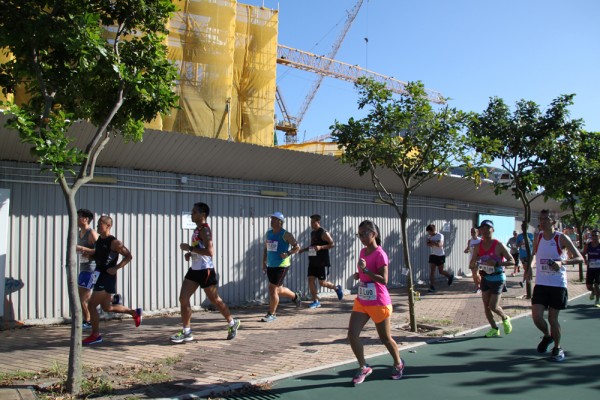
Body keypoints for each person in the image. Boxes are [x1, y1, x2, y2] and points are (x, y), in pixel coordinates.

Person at [170, 202, 240, 343]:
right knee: (183, 298)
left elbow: (210, 252)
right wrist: (191, 254)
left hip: (205, 271)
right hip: (194, 270)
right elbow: (200, 249)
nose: (192, 214)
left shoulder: (205, 230)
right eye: (192, 212)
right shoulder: (198, 229)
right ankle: (187, 332)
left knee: (215, 300)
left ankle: (232, 322)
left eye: (194, 212)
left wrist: (189, 248)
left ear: (202, 215)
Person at [348, 220, 404, 385]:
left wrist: (366, 270)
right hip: (362, 300)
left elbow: (384, 280)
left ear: (374, 234)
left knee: (385, 338)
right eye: (359, 235)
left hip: (379, 302)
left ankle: (398, 363)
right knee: (352, 335)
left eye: (365, 233)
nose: (362, 237)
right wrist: (360, 274)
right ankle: (363, 366)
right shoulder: (362, 251)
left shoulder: (380, 254)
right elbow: (365, 273)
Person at [525, 209, 583, 362]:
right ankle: (547, 336)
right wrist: (529, 267)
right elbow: (534, 254)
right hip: (541, 283)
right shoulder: (538, 236)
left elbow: (580, 258)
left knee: (552, 319)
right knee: (536, 316)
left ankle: (557, 348)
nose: (542, 222)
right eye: (540, 219)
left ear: (553, 222)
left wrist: (562, 262)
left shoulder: (561, 238)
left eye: (546, 219)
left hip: (557, 284)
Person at [82, 215, 142, 345]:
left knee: (91, 305)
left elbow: (128, 256)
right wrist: (89, 256)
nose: (97, 226)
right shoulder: (99, 240)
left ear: (108, 225)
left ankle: (95, 335)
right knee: (107, 307)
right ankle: (134, 313)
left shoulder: (114, 242)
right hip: (98, 275)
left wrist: (116, 268)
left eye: (100, 224)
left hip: (106, 277)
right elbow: (99, 257)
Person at [470, 220, 515, 338]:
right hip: (485, 278)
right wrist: (473, 265)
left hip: (498, 278)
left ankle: (505, 318)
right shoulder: (478, 246)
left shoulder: (498, 245)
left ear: (493, 230)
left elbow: (512, 261)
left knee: (493, 306)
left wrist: (497, 263)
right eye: (482, 228)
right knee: (486, 306)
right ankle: (494, 328)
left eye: (487, 228)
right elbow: (474, 260)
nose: (485, 231)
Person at [261, 212, 301, 322]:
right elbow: (266, 248)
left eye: (273, 219)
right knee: (278, 289)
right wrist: (264, 262)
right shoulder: (269, 233)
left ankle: (272, 314)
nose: (271, 221)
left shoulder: (286, 234)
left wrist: (288, 253)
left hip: (281, 265)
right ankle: (295, 296)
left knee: (272, 288)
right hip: (271, 265)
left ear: (280, 221)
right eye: (271, 219)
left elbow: (297, 247)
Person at [298, 214, 343, 308]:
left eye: (313, 222)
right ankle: (316, 301)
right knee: (310, 280)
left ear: (318, 222)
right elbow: (313, 246)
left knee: (322, 283)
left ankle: (336, 288)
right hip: (312, 260)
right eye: (311, 222)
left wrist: (321, 247)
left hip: (321, 261)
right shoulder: (312, 233)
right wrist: (303, 250)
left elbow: (332, 244)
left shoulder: (323, 232)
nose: (311, 224)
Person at [75, 209, 99, 329]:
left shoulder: (91, 233)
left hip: (92, 269)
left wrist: (82, 249)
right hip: (83, 268)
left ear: (86, 219)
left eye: (79, 216)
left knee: (83, 297)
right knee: (82, 297)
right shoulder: (80, 233)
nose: (76, 219)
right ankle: (87, 320)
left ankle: (88, 321)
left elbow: (100, 250)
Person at [425, 224, 454, 293]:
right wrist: (433, 242)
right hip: (433, 255)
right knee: (432, 271)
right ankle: (432, 286)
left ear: (433, 230)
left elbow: (439, 245)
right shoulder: (429, 236)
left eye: (429, 231)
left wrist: (432, 242)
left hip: (440, 255)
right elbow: (428, 244)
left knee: (441, 271)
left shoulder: (440, 235)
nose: (429, 233)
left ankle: (450, 276)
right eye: (428, 232)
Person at [582, 229, 600, 307]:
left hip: (599, 269)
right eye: (592, 235)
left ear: (599, 236)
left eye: (596, 235)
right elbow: (583, 254)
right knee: (589, 286)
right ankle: (593, 291)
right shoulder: (588, 245)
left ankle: (597, 300)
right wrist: (585, 260)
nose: (594, 237)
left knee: (596, 284)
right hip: (590, 268)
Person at [464, 227, 482, 293]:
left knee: (476, 273)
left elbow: (483, 249)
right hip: (471, 259)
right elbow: (468, 248)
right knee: (474, 274)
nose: (473, 233)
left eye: (474, 232)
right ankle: (477, 287)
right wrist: (466, 250)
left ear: (477, 232)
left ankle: (480, 285)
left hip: (478, 259)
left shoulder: (480, 240)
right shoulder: (470, 241)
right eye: (471, 232)